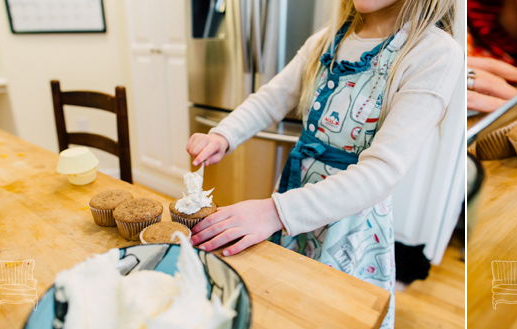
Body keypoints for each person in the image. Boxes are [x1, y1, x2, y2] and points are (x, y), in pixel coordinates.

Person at [184, 0, 462, 328]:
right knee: (286, 301)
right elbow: (271, 98)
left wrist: (273, 212)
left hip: (348, 222)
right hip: (293, 196)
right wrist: (223, 134)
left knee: (330, 313)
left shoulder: (434, 53)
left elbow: (381, 172)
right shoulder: (327, 39)